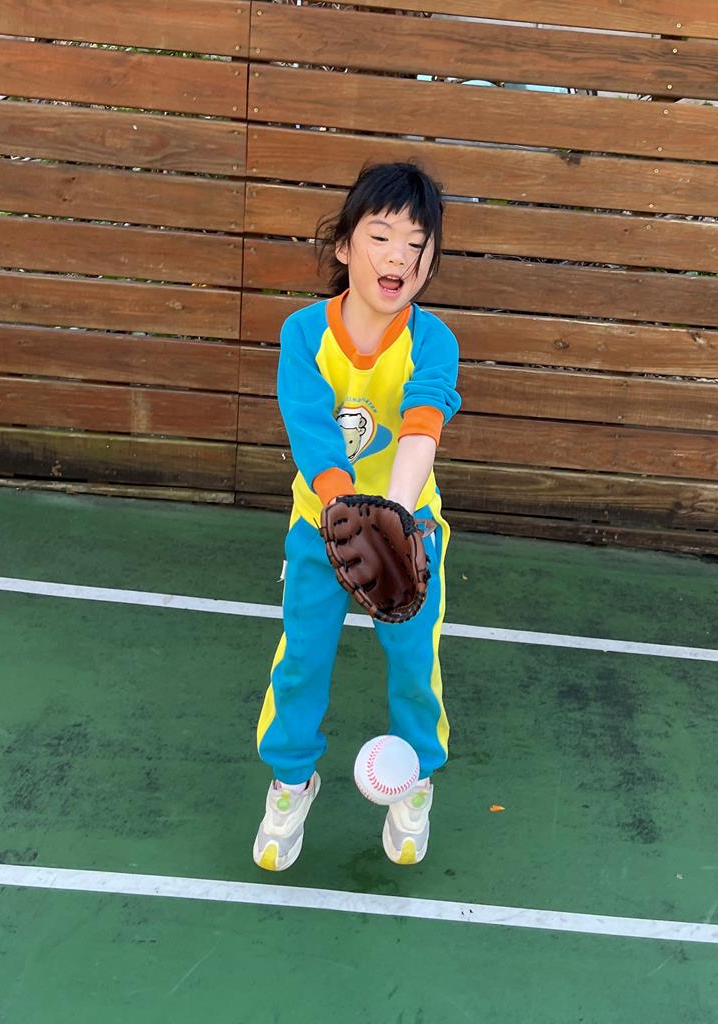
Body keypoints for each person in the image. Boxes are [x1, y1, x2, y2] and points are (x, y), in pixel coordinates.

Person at [253, 162, 461, 871]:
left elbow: (422, 424)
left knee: (414, 662)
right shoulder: (302, 332)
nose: (399, 256)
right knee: (302, 658)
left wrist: (393, 518)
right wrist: (347, 513)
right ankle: (291, 781)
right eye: (381, 236)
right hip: (320, 526)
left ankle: (417, 780)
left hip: (409, 530)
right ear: (344, 246)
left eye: (417, 244)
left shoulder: (433, 340)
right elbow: (312, 432)